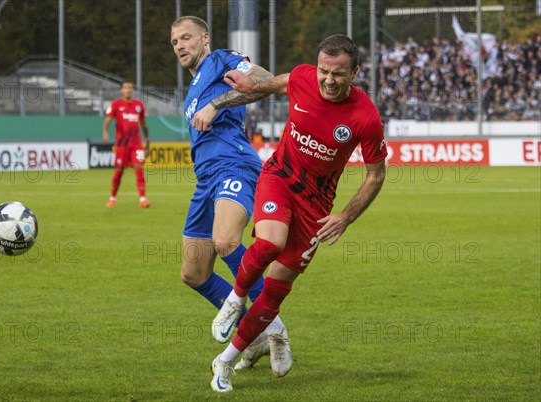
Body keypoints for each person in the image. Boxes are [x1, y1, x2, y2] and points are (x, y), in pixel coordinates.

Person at [195, 34, 387, 392]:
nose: (328, 80)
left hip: (317, 207)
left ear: (355, 73)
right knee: (269, 244)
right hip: (279, 178)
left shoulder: (366, 117)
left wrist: (345, 216)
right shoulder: (303, 76)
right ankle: (235, 300)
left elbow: (376, 175)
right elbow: (282, 81)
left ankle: (225, 361)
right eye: (323, 71)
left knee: (276, 292)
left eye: (338, 74)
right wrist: (254, 86)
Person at [170, 16, 292, 379]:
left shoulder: (222, 59)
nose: (179, 45)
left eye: (187, 37)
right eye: (175, 40)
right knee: (194, 273)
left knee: (226, 241)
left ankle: (274, 330)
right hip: (205, 180)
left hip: (234, 166)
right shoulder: (193, 87)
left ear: (204, 38)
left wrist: (219, 103)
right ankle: (251, 337)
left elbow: (264, 79)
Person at [102, 80, 150, 208]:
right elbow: (107, 120)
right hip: (122, 144)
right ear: (121, 90)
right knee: (119, 171)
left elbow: (143, 124)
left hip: (136, 144)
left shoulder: (138, 105)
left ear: (132, 90)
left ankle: (143, 199)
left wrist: (147, 139)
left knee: (139, 169)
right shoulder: (116, 104)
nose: (128, 90)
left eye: (130, 87)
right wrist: (105, 131)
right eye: (125, 88)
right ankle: (112, 198)